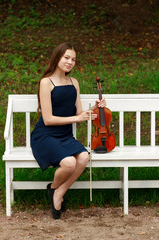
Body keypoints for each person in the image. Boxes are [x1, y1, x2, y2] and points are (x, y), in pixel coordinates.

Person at [31, 42, 105, 219]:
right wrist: (77, 118)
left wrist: (94, 107)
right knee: (69, 163)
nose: (70, 62)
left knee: (84, 157)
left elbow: (79, 112)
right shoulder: (46, 83)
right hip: (45, 135)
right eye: (66, 57)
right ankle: (55, 189)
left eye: (73, 59)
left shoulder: (74, 82)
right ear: (57, 58)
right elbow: (48, 120)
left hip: (65, 135)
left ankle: (57, 191)